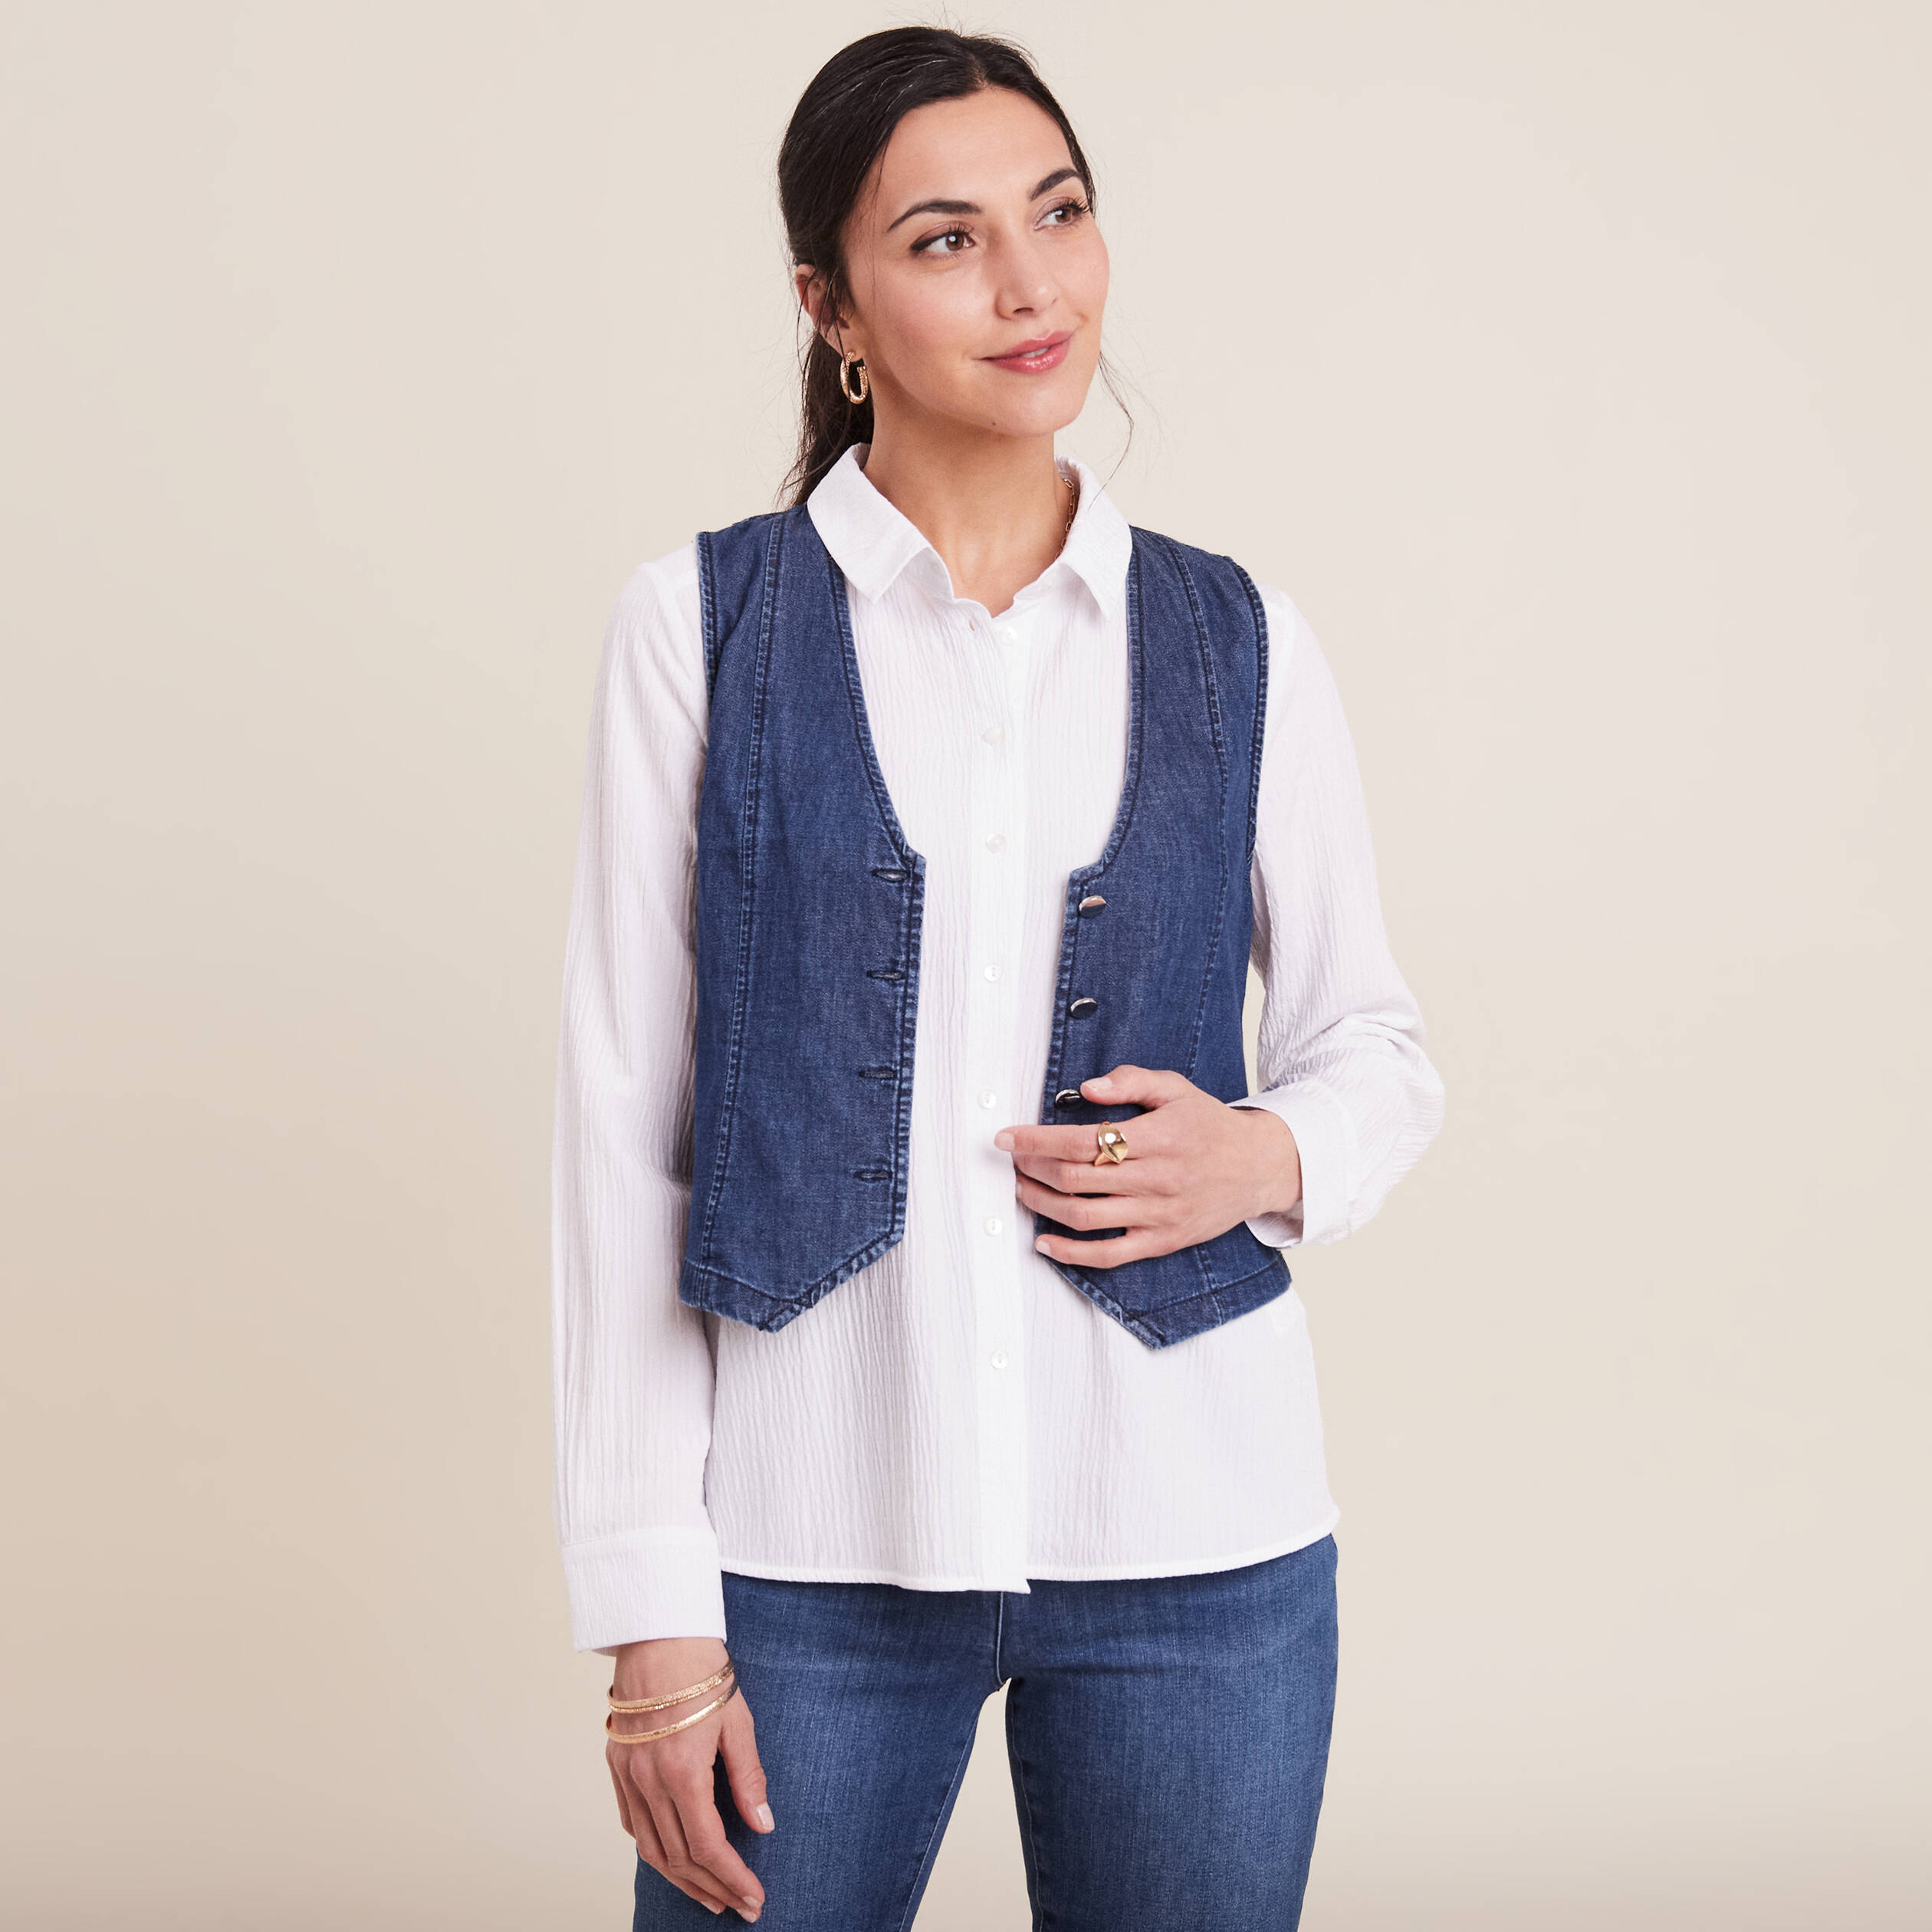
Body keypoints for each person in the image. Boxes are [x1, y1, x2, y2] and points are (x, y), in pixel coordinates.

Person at [550, 25, 1444, 1931]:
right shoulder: (698, 628)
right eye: (947, 240)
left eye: (1060, 213)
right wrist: (650, 1612)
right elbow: (624, 1134)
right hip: (801, 1558)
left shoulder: (1237, 633)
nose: (1032, 285)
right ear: (831, 307)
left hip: (1198, 1539)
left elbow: (1374, 1044)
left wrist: (1268, 1155)